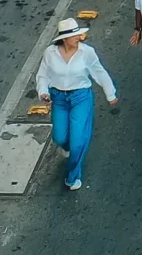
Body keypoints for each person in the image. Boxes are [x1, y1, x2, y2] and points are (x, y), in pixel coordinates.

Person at [33, 18, 119, 191]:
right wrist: (43, 91)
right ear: (64, 39)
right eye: (74, 36)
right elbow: (43, 75)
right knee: (59, 137)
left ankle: (73, 177)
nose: (79, 37)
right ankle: (67, 148)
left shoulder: (87, 52)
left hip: (80, 98)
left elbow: (99, 72)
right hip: (58, 98)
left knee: (78, 141)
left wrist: (110, 94)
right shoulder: (50, 53)